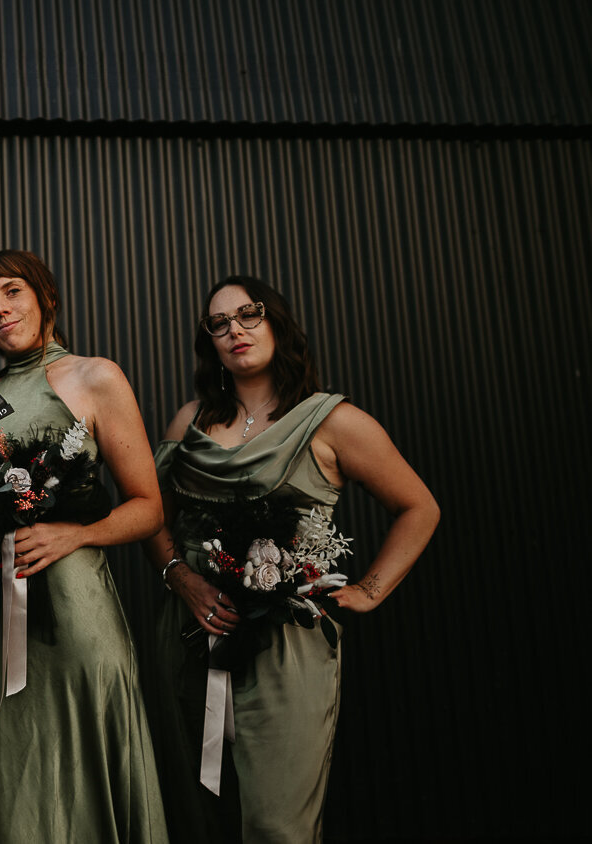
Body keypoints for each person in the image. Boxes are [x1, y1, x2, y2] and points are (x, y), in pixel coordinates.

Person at [142, 276, 439, 843]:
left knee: (277, 823)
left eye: (248, 314)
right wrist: (180, 578)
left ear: (276, 321)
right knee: (201, 816)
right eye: (219, 323)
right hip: (189, 634)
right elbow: (150, 513)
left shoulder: (332, 421)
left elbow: (419, 507)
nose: (235, 330)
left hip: (287, 644)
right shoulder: (190, 424)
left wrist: (369, 590)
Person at [0, 249, 168, 842]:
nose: (0, 311)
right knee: (6, 771)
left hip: (75, 610)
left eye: (13, 292)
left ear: (45, 296)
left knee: (83, 758)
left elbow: (149, 507)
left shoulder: (94, 376)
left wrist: (77, 533)